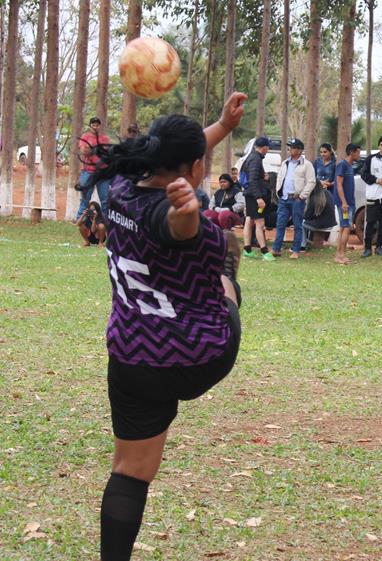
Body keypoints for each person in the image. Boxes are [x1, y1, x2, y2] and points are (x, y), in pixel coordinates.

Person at [90, 92, 247, 561]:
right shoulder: (171, 213)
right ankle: (228, 282)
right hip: (199, 356)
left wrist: (220, 125)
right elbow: (174, 225)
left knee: (130, 470)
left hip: (132, 355)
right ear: (197, 169)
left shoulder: (119, 187)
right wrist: (188, 213)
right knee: (227, 267)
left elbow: (179, 154)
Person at [272, 138, 316, 259]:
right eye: (290, 147)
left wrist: (302, 196)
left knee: (297, 225)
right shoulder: (285, 163)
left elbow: (311, 182)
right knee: (280, 224)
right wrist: (279, 192)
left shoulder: (307, 165)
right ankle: (276, 248)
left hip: (297, 199)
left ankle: (296, 250)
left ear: (299, 150)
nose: (290, 149)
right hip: (284, 198)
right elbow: (280, 177)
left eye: (293, 147)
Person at [241, 136, 273, 261]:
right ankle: (265, 251)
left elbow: (253, 176)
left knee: (249, 220)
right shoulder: (255, 159)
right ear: (264, 147)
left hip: (249, 194)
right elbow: (252, 179)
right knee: (260, 223)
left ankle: (247, 249)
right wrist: (259, 198)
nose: (268, 149)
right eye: (268, 147)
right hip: (254, 196)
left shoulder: (251, 156)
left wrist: (263, 177)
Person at [76, 116, 112, 219]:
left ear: (100, 126)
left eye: (97, 125)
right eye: (93, 125)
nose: (95, 127)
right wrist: (98, 150)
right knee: (85, 198)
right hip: (88, 172)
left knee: (105, 199)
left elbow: (108, 154)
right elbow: (84, 151)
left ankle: (105, 222)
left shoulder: (105, 138)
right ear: (90, 126)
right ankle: (80, 220)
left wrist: (92, 149)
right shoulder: (85, 137)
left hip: (103, 173)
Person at [334, 143, 361, 264]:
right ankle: (341, 255)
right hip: (345, 204)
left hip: (350, 202)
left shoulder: (350, 166)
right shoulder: (343, 165)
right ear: (352, 152)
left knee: (343, 227)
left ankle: (338, 254)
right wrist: (344, 202)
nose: (359, 155)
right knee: (346, 228)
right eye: (358, 152)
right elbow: (339, 184)